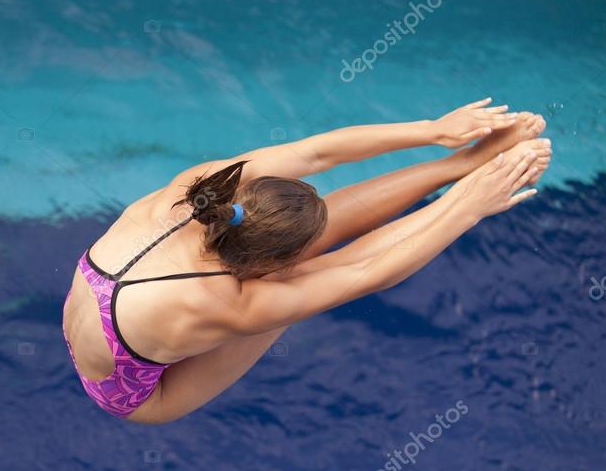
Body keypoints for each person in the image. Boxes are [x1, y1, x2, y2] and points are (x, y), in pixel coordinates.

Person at [61, 99, 552, 424]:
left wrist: (435, 131)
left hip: (97, 307)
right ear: (265, 263)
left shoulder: (201, 190)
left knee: (301, 267)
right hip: (131, 390)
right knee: (306, 285)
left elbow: (314, 152)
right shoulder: (226, 304)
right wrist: (471, 204)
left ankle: (458, 165)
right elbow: (365, 272)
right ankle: (462, 179)